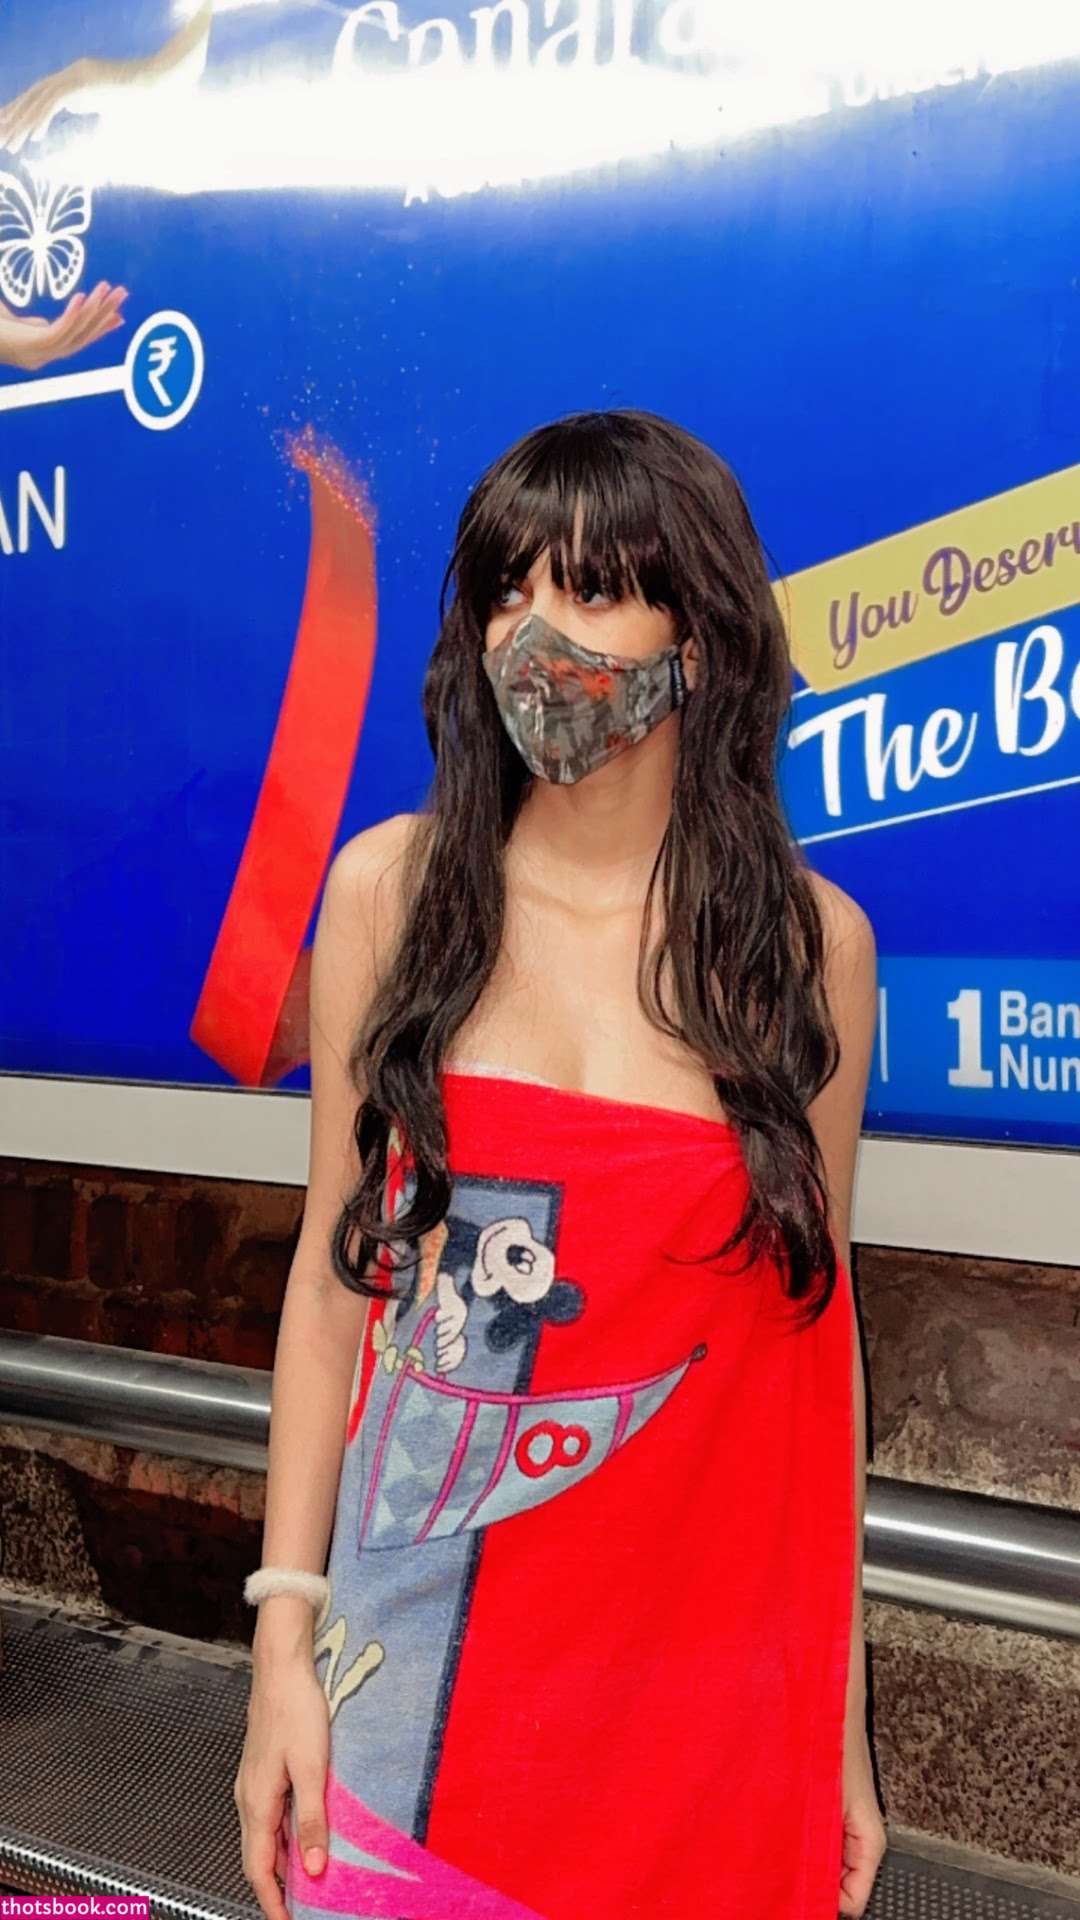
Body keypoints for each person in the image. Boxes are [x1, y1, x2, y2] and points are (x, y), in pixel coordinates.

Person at [233, 407, 887, 1920]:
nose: (535, 633)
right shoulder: (392, 896)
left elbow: (817, 1350)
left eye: (590, 589)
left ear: (700, 638)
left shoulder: (810, 954)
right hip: (417, 1690)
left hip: (714, 1714)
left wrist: (839, 1718)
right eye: (507, 589)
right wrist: (280, 1648)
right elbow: (330, 1296)